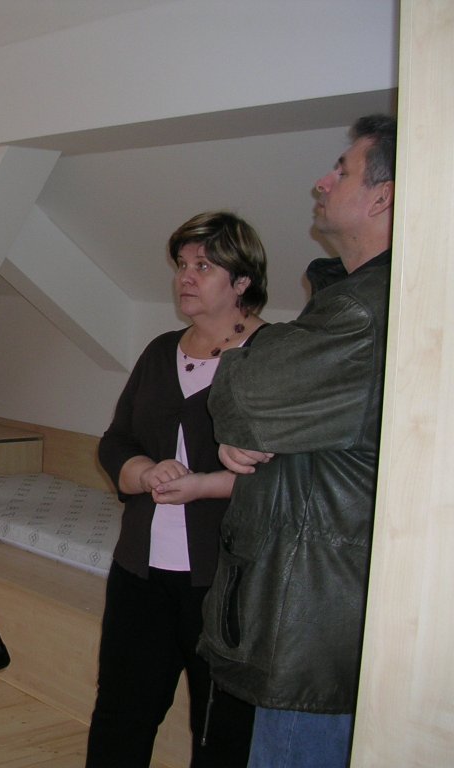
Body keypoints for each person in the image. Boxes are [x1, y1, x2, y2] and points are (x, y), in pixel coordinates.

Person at [197, 114, 397, 768]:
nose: (322, 181)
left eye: (342, 170)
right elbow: (268, 417)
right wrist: (254, 425)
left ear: (383, 197)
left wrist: (244, 365)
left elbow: (247, 398)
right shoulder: (355, 296)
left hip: (318, 612)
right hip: (319, 600)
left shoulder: (362, 310)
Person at [86, 211, 266, 767]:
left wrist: (204, 486)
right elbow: (116, 440)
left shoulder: (273, 356)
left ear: (242, 280)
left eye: (204, 266)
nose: (185, 277)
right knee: (119, 720)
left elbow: (287, 475)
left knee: (221, 733)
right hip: (140, 574)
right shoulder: (162, 351)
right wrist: (141, 470)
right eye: (182, 265)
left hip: (228, 583)